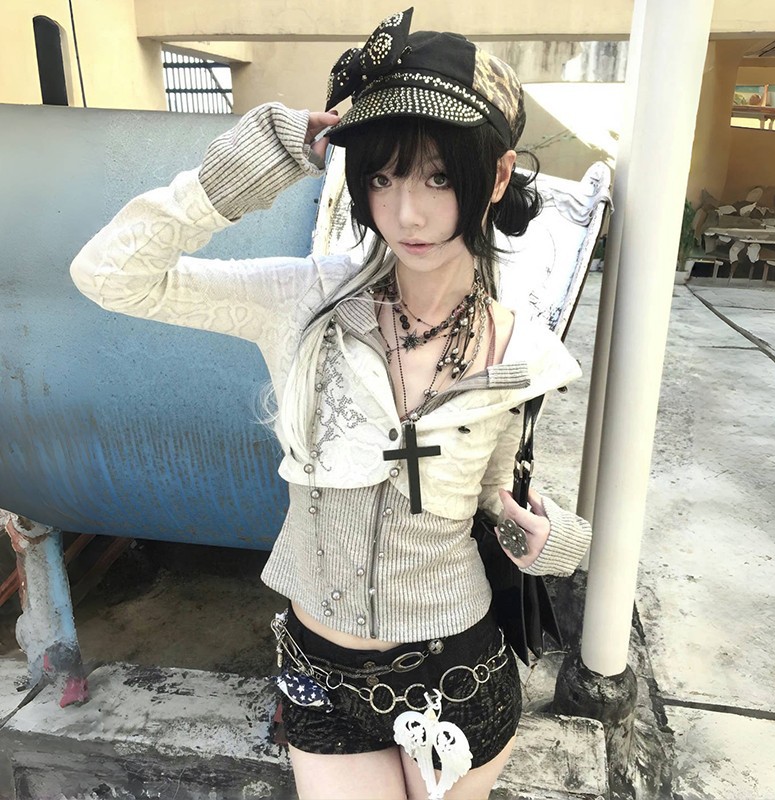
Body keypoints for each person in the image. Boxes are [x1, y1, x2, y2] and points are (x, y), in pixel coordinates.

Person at [71, 9, 592, 800]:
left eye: (437, 177)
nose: (406, 212)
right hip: (320, 675)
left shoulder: (520, 350)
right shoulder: (303, 301)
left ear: (495, 176)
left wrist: (555, 540)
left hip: (457, 674)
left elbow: (495, 497)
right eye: (382, 176)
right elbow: (109, 275)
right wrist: (245, 169)